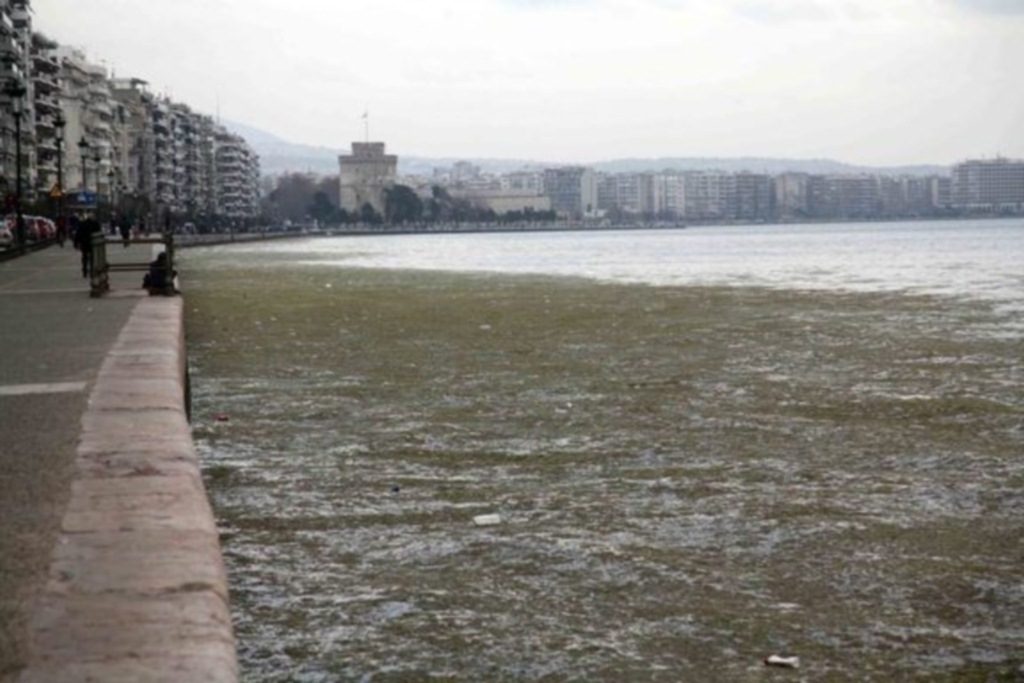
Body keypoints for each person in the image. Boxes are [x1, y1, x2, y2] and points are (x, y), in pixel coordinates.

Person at [74, 213, 101, 278]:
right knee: (93, 257)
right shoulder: (95, 224)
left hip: (84, 243)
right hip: (93, 243)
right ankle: (92, 270)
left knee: (84, 257)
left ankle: (85, 271)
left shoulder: (82, 224)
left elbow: (78, 234)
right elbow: (99, 233)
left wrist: (76, 243)